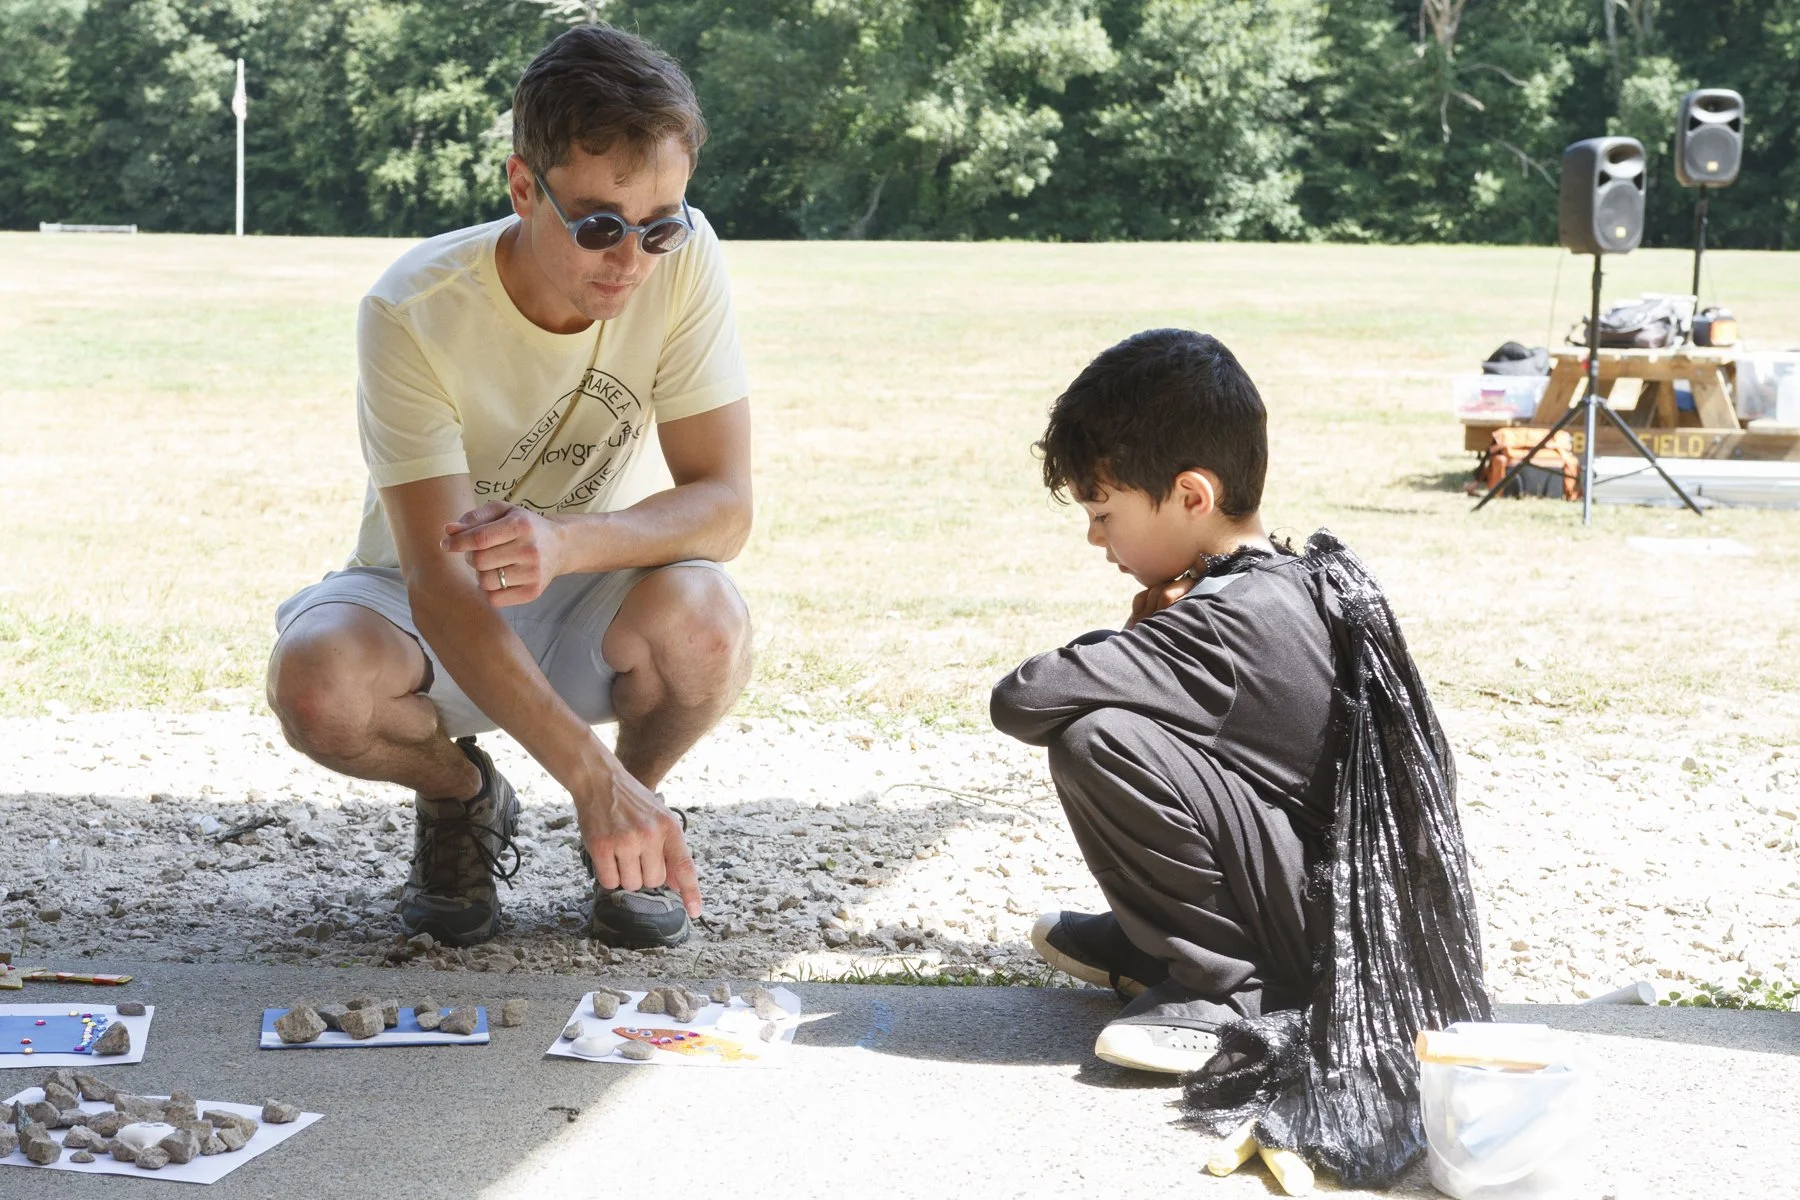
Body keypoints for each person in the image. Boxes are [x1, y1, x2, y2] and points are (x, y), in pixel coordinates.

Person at [265, 25, 751, 952]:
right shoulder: (411, 309)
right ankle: (464, 799)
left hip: (583, 586)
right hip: (420, 598)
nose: (634, 260)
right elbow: (444, 588)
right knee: (317, 687)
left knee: (708, 620)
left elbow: (726, 505)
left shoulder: (683, 264)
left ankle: (626, 815)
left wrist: (564, 543)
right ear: (523, 187)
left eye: (661, 223)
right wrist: (579, 767)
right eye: (602, 225)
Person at [990, 328, 1340, 1075]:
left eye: (1104, 511)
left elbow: (1022, 699)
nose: (1094, 536)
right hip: (1317, 894)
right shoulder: (1271, 577)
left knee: (1097, 739)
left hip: (1320, 933)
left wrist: (1136, 639)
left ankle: (1228, 990)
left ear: (1190, 495)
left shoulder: (1224, 621)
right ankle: (1161, 942)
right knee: (1129, 729)